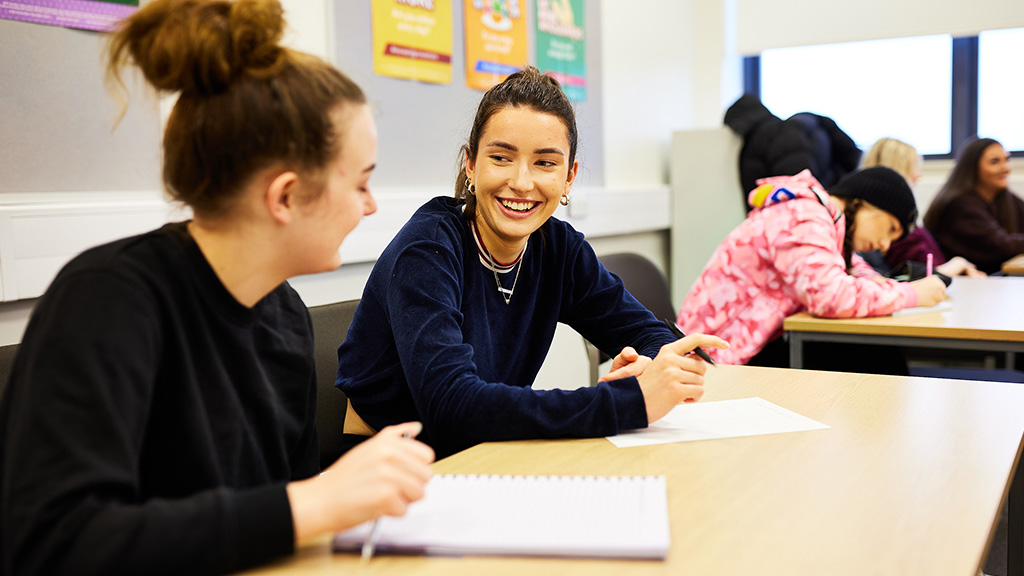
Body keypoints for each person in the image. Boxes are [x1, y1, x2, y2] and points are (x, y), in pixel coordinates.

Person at [0, 1, 434, 575]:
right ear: (283, 197)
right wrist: (316, 501)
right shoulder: (107, 300)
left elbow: (281, 520)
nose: (371, 205)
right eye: (359, 183)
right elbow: (54, 542)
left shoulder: (285, 314)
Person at [335, 67, 727, 459]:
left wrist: (648, 367)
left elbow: (651, 334)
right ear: (471, 165)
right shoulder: (428, 250)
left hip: (486, 452)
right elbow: (451, 407)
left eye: (545, 163)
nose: (522, 182)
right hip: (393, 466)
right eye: (502, 157)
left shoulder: (558, 249)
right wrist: (627, 401)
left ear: (569, 177)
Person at [677, 166, 947, 371]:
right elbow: (830, 295)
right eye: (890, 228)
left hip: (744, 345)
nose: (885, 244)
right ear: (864, 202)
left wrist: (896, 288)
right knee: (875, 357)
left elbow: (857, 273)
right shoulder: (805, 216)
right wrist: (910, 295)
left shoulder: (826, 223)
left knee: (873, 355)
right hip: (715, 357)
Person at [861, 137, 984, 278]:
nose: (919, 175)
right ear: (899, 172)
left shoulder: (895, 217)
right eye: (914, 168)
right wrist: (957, 265)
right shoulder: (891, 223)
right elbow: (909, 277)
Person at [924, 137, 1024, 274]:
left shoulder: (1003, 198)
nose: (1005, 168)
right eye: (994, 162)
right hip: (967, 283)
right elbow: (1000, 246)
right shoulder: (961, 204)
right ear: (973, 167)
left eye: (1007, 160)